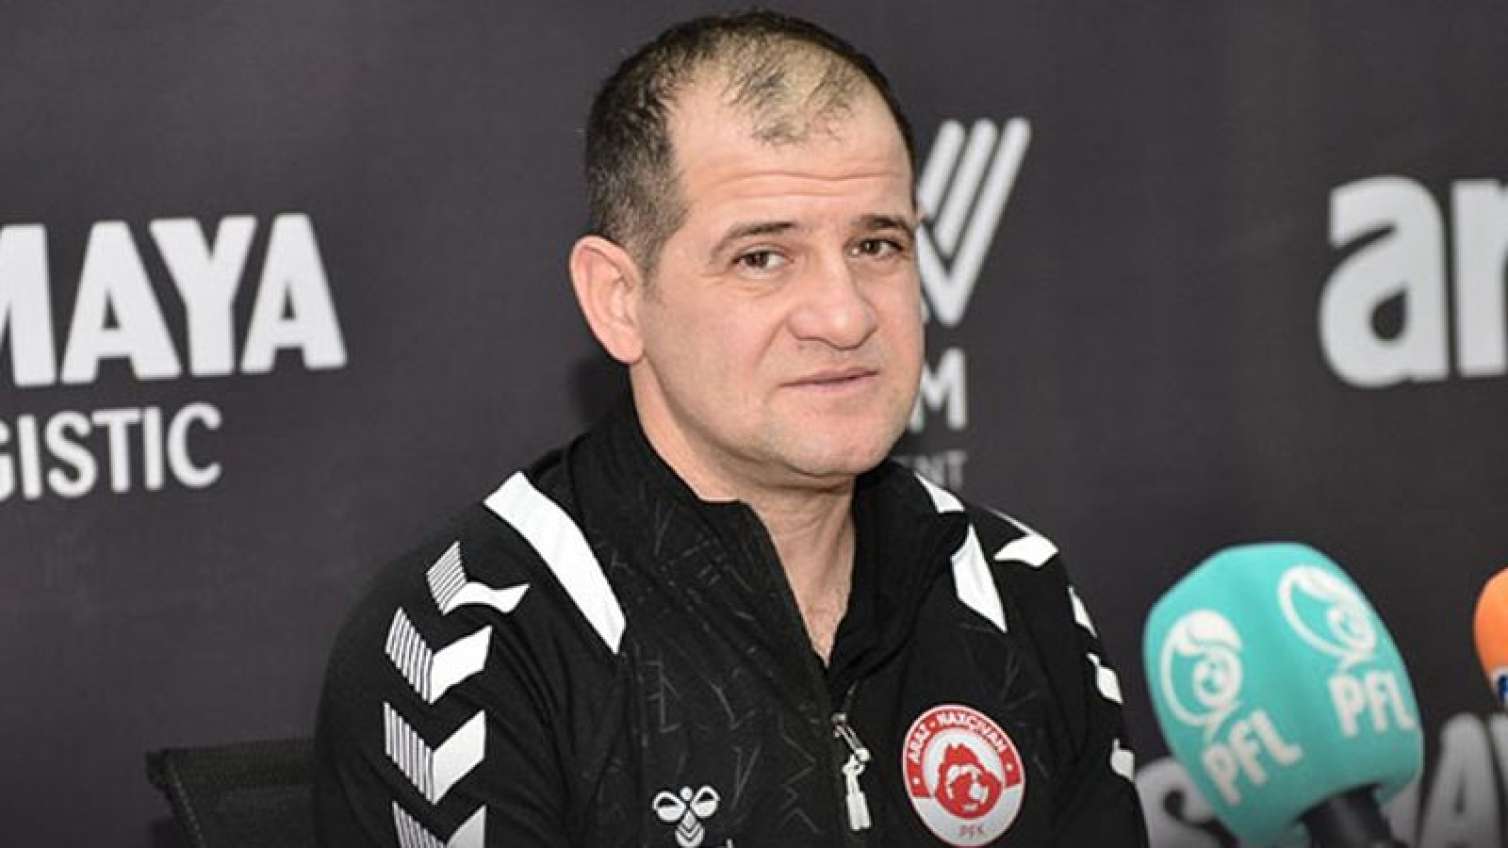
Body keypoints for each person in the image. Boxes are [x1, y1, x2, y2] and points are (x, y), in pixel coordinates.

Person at [314, 10, 1148, 847]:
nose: (845, 316)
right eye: (762, 257)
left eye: (877, 245)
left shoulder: (1011, 590)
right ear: (618, 300)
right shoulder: (476, 640)